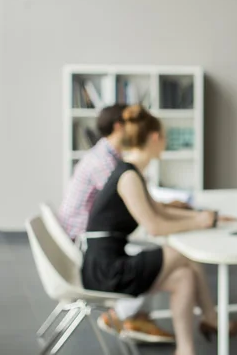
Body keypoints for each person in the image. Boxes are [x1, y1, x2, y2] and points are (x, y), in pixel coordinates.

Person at [81, 105, 237, 355]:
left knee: (184, 278)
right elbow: (154, 226)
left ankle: (186, 350)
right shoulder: (128, 177)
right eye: (165, 137)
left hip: (110, 261)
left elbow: (159, 209)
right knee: (186, 254)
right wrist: (198, 222)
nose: (166, 142)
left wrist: (205, 216)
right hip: (107, 269)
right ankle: (212, 318)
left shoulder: (132, 172)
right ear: (155, 138)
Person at [59, 104, 184, 340]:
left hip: (91, 240)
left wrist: (162, 207)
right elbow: (131, 201)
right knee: (154, 255)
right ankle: (123, 314)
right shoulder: (106, 164)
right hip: (85, 245)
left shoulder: (109, 156)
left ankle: (134, 316)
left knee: (153, 255)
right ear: (120, 127)